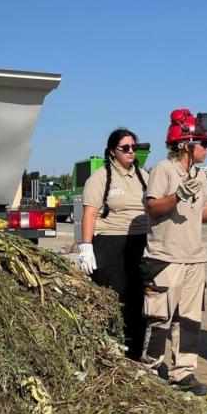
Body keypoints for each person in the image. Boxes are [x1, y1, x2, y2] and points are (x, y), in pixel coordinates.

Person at [140, 108, 207, 396]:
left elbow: (203, 213)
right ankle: (151, 369)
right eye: (204, 143)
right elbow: (152, 208)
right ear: (186, 145)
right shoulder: (163, 170)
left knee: (189, 320)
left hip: (194, 257)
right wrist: (178, 195)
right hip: (165, 258)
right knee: (160, 318)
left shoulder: (199, 175)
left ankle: (183, 372)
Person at [78, 128, 150, 359]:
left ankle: (135, 356)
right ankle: (109, 353)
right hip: (110, 242)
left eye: (134, 148)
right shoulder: (100, 178)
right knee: (113, 298)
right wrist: (86, 246)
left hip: (139, 242)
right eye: (125, 148)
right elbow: (90, 214)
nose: (131, 152)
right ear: (112, 151)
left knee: (138, 301)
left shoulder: (144, 176)